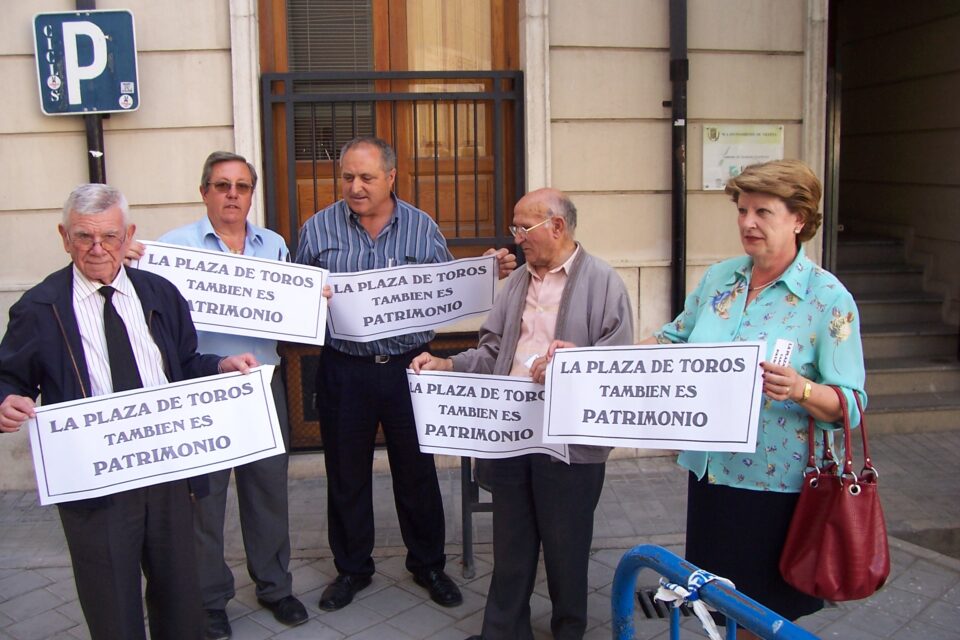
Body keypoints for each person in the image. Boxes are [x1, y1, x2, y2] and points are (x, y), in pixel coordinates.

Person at [0, 183, 258, 640]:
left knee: (182, 598)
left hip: (168, 474)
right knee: (112, 606)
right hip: (94, 482)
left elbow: (183, 363)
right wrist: (5, 401)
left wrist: (221, 365)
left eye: (110, 237)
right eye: (84, 237)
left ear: (129, 234)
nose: (98, 249)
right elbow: (9, 376)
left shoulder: (160, 293)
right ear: (64, 236)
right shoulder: (39, 308)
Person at [641, 160, 866, 637]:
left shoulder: (827, 298)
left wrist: (801, 389)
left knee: (762, 616)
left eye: (763, 212)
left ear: (798, 219)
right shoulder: (721, 279)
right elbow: (672, 344)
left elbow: (851, 403)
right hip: (712, 473)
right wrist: (592, 363)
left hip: (776, 489)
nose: (747, 223)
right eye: (742, 210)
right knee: (714, 602)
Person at [295, 136, 516, 611]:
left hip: (408, 366)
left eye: (367, 178)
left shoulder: (422, 227)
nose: (356, 187)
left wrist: (484, 273)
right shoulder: (316, 229)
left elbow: (446, 286)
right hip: (343, 368)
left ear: (391, 178)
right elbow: (296, 296)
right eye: (349, 177)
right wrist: (310, 303)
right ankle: (352, 569)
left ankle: (428, 565)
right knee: (345, 473)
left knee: (416, 472)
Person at [411, 187, 634, 640]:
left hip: (569, 442)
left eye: (524, 227)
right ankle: (504, 632)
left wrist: (570, 366)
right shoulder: (516, 283)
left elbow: (617, 363)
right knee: (511, 544)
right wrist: (447, 363)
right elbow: (492, 351)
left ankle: (568, 631)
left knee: (566, 549)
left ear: (557, 226)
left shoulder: (603, 281)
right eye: (515, 227)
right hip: (511, 432)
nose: (516, 238)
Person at [159, 152, 307, 640]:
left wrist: (309, 303)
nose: (232, 195)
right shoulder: (172, 248)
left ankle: (274, 585)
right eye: (222, 185)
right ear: (204, 192)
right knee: (205, 501)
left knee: (268, 492)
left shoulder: (275, 245)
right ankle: (209, 599)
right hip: (205, 389)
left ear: (251, 193)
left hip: (263, 386)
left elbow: (289, 314)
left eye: (242, 187)